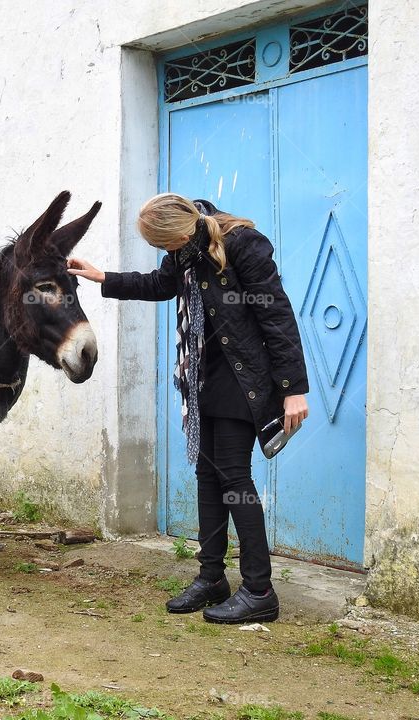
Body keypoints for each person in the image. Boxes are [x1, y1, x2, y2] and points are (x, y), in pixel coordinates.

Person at [68, 193, 309, 624]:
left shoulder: (243, 245)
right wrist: (103, 277)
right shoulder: (186, 252)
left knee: (235, 478)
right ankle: (212, 576)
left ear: (179, 232)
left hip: (244, 377)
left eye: (164, 247)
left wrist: (293, 389)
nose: (165, 255)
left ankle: (259, 589)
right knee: (206, 475)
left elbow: (277, 315)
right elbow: (160, 286)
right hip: (206, 375)